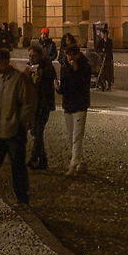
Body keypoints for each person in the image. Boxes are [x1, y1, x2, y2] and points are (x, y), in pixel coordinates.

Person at [0, 47, 32, 206]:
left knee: (18, 168)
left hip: (14, 131)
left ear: (7, 62)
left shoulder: (18, 79)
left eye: (0, 63)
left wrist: (21, 123)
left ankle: (23, 199)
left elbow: (27, 103)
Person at [57, 35, 93, 176]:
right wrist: (58, 88)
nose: (68, 58)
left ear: (76, 55)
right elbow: (65, 87)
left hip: (80, 105)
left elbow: (84, 85)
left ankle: (73, 166)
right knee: (71, 136)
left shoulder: (85, 66)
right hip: (68, 105)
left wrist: (76, 70)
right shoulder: (65, 67)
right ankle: (81, 162)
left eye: (70, 56)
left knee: (77, 136)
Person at [28, 41, 58, 170]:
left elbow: (51, 75)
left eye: (33, 56)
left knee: (39, 131)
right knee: (36, 132)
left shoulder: (47, 66)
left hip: (44, 104)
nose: (30, 59)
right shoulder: (30, 67)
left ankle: (33, 158)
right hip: (34, 104)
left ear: (40, 56)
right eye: (29, 56)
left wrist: (40, 73)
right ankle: (43, 160)